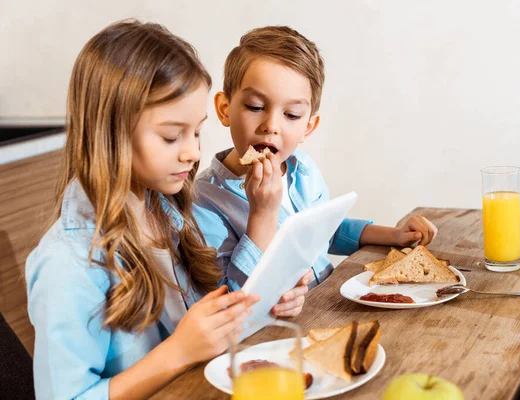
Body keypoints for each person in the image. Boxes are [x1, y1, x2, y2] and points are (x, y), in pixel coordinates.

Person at [25, 20, 262, 399]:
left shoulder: (165, 210)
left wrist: (259, 302)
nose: (193, 152)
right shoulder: (67, 263)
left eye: (197, 131)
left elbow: (204, 322)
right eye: (171, 136)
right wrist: (178, 352)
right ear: (112, 131)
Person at [194, 26, 438, 303]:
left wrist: (395, 235)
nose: (271, 126)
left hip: (326, 304)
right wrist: (262, 213)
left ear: (308, 128)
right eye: (255, 107)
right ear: (225, 109)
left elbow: (326, 231)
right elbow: (231, 298)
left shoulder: (303, 171)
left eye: (291, 114)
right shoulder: (204, 202)